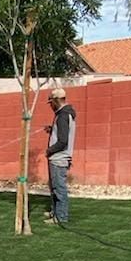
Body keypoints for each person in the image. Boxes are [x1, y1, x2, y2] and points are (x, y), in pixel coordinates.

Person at [43, 86, 77, 226]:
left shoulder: (63, 116)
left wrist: (49, 150)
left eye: (51, 102)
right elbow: (62, 133)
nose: (50, 105)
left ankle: (61, 217)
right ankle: (55, 212)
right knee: (55, 187)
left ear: (57, 100)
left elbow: (63, 141)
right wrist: (52, 130)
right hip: (58, 157)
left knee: (59, 188)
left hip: (59, 158)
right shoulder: (64, 114)